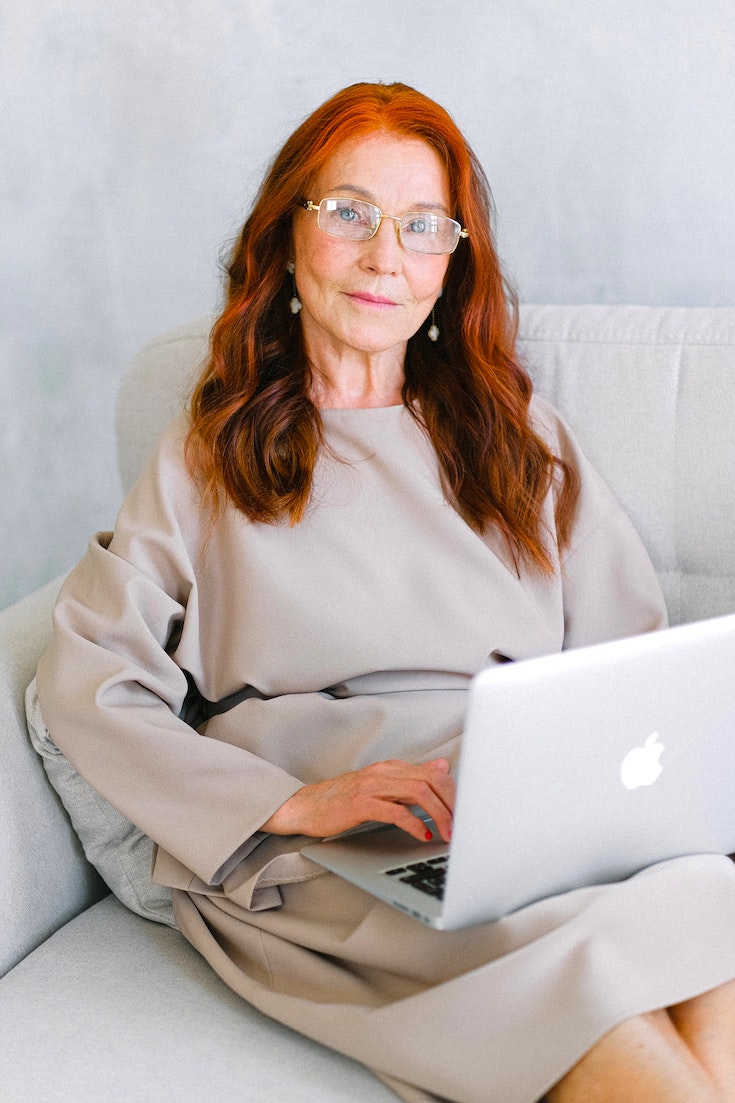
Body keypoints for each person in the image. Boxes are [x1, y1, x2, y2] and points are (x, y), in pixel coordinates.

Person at [35, 82, 735, 1103]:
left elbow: (632, 665)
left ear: (452, 263)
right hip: (339, 852)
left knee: (709, 910)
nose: (384, 256)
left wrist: (598, 811)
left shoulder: (516, 437)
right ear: (286, 238)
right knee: (599, 998)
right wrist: (289, 801)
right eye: (350, 213)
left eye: (422, 225)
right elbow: (87, 682)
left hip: (523, 823)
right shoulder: (209, 453)